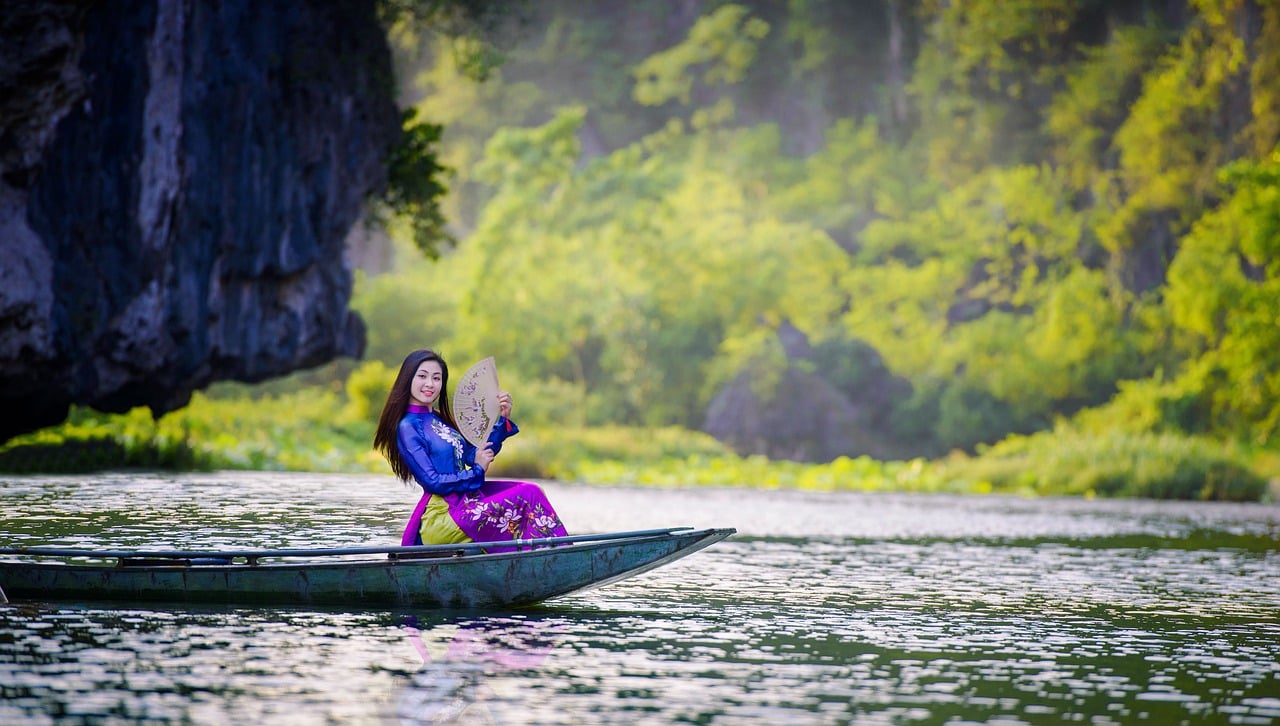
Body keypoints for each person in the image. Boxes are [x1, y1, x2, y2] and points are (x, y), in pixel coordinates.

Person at [373, 349, 568, 551]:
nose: (430, 384)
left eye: (437, 378)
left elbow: (475, 454)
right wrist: (476, 471)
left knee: (533, 490)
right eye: (422, 376)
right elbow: (433, 482)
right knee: (528, 494)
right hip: (443, 516)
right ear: (408, 379)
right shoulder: (408, 427)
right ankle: (555, 555)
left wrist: (501, 419)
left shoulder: (439, 420)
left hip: (467, 503)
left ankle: (547, 556)